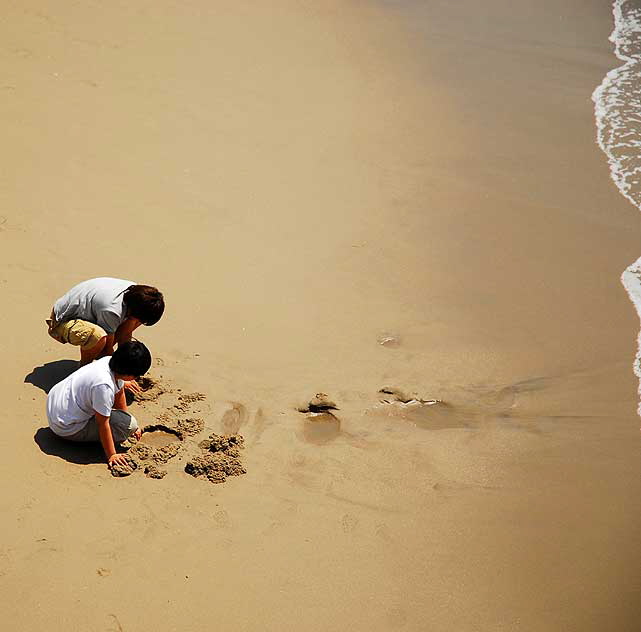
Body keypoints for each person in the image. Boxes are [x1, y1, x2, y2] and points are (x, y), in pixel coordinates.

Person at [46, 340, 151, 470]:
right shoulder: (103, 386)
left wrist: (125, 416)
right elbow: (103, 423)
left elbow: (119, 392)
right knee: (129, 426)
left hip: (57, 407)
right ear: (129, 374)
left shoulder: (108, 361)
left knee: (127, 422)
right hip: (65, 426)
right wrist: (112, 455)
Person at [46, 277, 164, 367]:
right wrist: (119, 377)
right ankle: (83, 371)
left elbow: (126, 335)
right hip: (61, 321)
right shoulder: (111, 310)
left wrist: (126, 361)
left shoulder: (138, 293)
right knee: (98, 337)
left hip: (93, 312)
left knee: (135, 320)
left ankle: (113, 362)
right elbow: (107, 351)